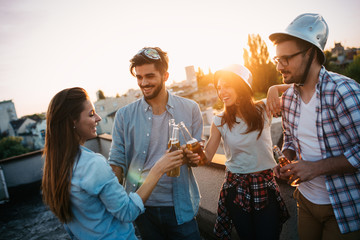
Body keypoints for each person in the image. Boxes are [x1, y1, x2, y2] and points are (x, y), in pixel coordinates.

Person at [41, 87, 183, 240]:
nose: (98, 118)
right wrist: (158, 169)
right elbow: (127, 212)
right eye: (91, 114)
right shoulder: (92, 164)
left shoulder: (55, 168)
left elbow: (71, 227)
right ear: (72, 122)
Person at [267, 13, 360, 240]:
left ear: (310, 52)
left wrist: (315, 168)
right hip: (305, 202)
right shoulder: (288, 98)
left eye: (285, 59)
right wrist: (285, 158)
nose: (279, 66)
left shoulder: (344, 92)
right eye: (276, 60)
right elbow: (289, 138)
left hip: (341, 206)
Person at [108, 47, 203, 240]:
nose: (143, 83)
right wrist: (113, 206)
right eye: (139, 77)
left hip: (181, 207)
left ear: (165, 75)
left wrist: (194, 158)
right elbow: (117, 163)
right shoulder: (124, 116)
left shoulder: (191, 109)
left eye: (149, 76)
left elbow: (197, 158)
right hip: (142, 208)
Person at [186, 64, 289, 239]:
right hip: (236, 187)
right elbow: (207, 157)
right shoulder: (219, 121)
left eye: (226, 86)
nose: (221, 92)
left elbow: (305, 87)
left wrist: (275, 88)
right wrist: (192, 154)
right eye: (219, 87)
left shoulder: (263, 109)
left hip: (264, 183)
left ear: (241, 86)